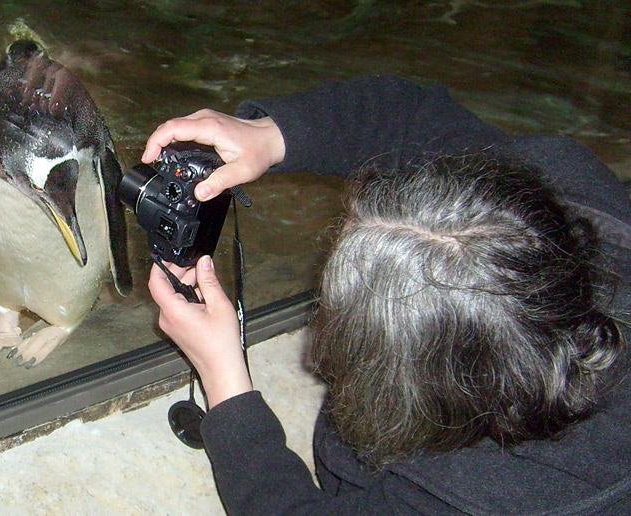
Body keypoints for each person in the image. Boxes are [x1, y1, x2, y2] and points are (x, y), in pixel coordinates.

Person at [145, 74, 631, 515]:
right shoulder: (563, 189)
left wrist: (226, 381)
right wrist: (273, 136)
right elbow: (408, 117)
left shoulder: (486, 495)